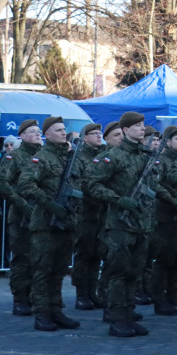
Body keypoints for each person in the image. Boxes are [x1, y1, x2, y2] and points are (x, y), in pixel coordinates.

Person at [88, 111, 159, 337]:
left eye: (143, 125)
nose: (142, 129)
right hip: (120, 223)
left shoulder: (145, 155)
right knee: (119, 272)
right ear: (126, 130)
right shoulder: (113, 156)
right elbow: (92, 184)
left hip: (142, 222)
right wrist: (119, 200)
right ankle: (117, 318)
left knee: (134, 272)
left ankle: (128, 314)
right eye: (137, 126)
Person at [18, 117, 82, 332]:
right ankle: (42, 313)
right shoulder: (41, 158)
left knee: (59, 271)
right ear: (47, 134)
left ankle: (56, 310)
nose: (64, 133)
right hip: (45, 224)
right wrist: (50, 204)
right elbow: (26, 184)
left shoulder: (69, 158)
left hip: (66, 223)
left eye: (64, 129)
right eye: (58, 130)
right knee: (43, 270)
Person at [0, 119, 43, 316]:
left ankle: (36, 296)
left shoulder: (43, 156)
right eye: (32, 131)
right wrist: (20, 202)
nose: (37, 134)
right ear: (22, 136)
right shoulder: (14, 157)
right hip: (21, 216)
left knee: (40, 258)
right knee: (23, 258)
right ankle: (20, 298)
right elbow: (1, 183)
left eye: (39, 131)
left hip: (41, 214)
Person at [148, 126, 177, 316]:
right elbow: (155, 185)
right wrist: (174, 199)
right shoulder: (160, 161)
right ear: (168, 141)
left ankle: (173, 297)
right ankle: (160, 299)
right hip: (165, 216)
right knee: (164, 260)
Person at [72, 123, 104, 310]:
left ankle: (92, 292)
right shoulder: (79, 157)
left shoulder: (102, 156)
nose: (99, 136)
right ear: (85, 137)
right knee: (84, 255)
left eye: (100, 133)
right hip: (85, 213)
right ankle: (81, 294)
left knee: (96, 255)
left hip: (100, 213)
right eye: (94, 134)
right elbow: (80, 183)